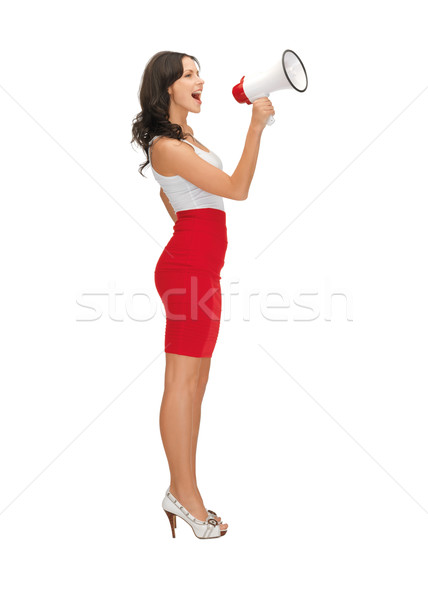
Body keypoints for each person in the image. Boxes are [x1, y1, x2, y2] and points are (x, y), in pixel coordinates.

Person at [131, 51, 274, 539]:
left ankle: (182, 490)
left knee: (196, 385)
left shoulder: (182, 138)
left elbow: (170, 198)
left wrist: (197, 236)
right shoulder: (166, 146)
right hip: (188, 271)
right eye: (189, 75)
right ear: (167, 87)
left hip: (201, 269)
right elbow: (236, 190)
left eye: (198, 72)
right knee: (182, 382)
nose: (200, 81)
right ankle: (185, 496)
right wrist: (255, 126)